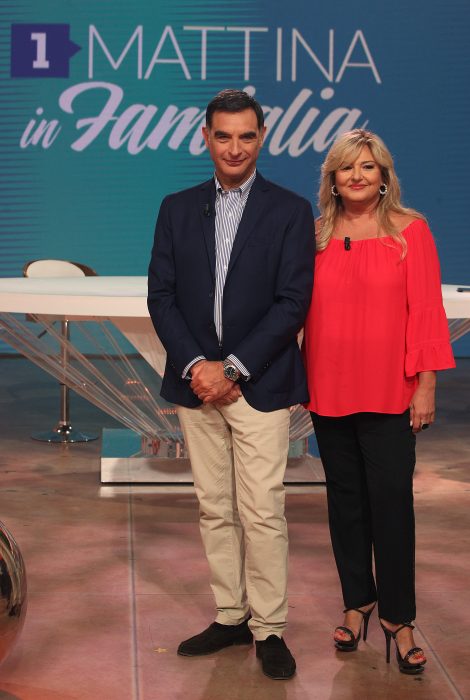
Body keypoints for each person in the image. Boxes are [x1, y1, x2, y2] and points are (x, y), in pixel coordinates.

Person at [147, 89, 315, 680]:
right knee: (214, 507)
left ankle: (269, 627)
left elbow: (293, 302)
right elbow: (161, 296)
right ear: (206, 138)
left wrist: (234, 369)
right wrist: (199, 366)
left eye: (246, 136)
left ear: (262, 137)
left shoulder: (290, 211)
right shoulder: (176, 208)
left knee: (262, 510)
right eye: (224, 136)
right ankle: (231, 615)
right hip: (197, 384)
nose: (235, 147)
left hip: (258, 385)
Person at [302, 129, 455, 675]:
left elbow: (426, 311)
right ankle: (357, 603)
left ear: (384, 176)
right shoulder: (315, 235)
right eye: (347, 167)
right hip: (328, 388)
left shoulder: (411, 232)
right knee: (344, 503)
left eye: (368, 166)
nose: (357, 176)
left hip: (392, 390)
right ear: (333, 179)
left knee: (391, 505)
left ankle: (398, 617)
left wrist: (426, 384)